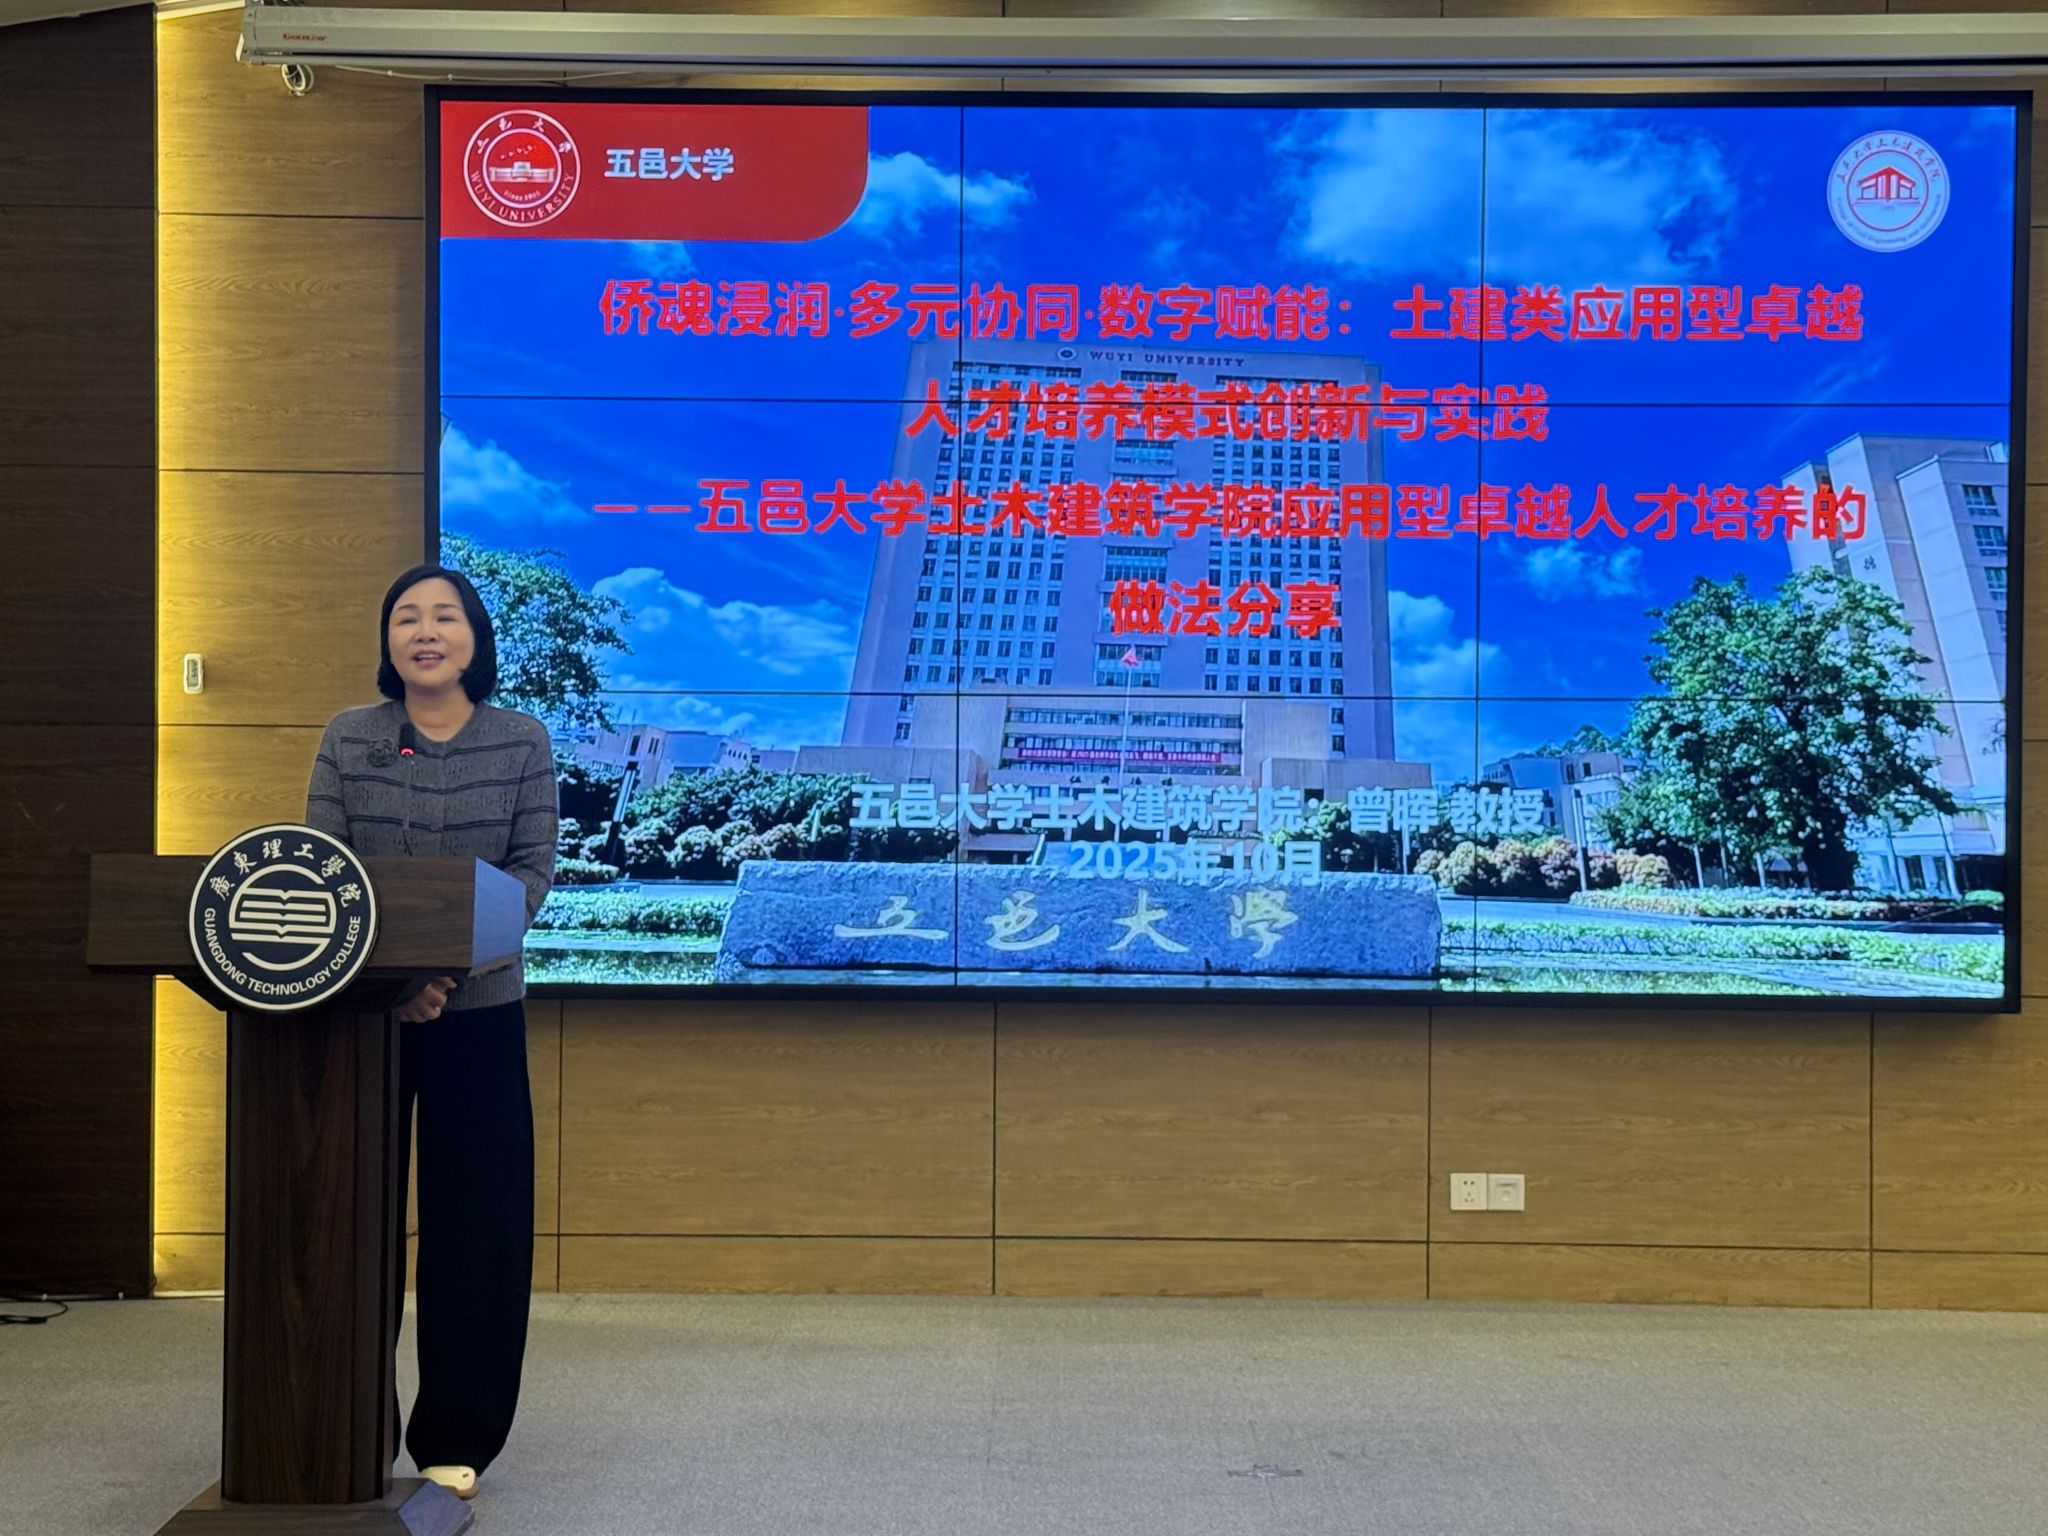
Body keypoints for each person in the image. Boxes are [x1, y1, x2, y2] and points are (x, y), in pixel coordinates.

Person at [304, 563, 557, 1504]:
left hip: (480, 1014)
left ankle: (457, 1434)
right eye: (406, 617)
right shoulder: (350, 737)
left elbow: (531, 873)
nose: (425, 631)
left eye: (445, 617)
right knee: (349, 1219)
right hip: (365, 1016)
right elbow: (324, 869)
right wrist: (395, 983)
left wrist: (443, 973)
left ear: (474, 639)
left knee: (476, 1229)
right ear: (388, 641)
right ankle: (345, 1418)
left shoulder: (521, 739)